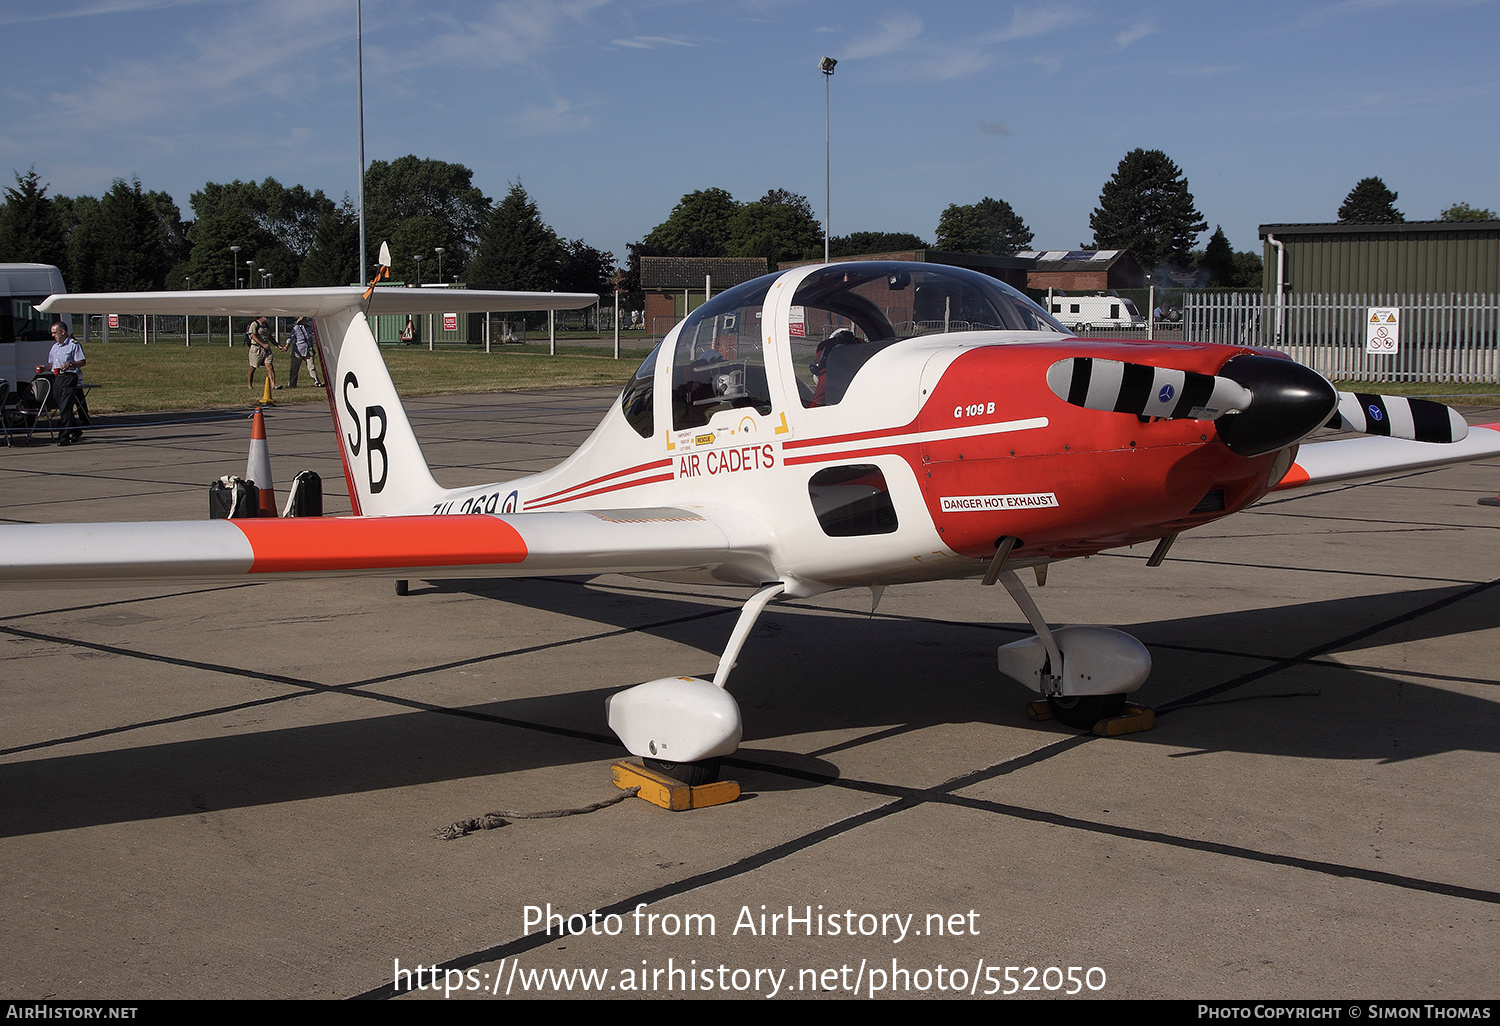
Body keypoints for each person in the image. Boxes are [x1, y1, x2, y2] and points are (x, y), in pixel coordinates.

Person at [46, 320, 88, 446]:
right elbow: (52, 364)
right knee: (60, 404)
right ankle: (75, 430)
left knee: (66, 406)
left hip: (69, 377)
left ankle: (63, 437)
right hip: (57, 378)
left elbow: (82, 362)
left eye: (55, 333)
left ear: (62, 332)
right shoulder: (55, 347)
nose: (53, 335)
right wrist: (45, 368)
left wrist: (70, 364)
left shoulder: (73, 345)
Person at [246, 315, 286, 391]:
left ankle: (273, 384)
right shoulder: (255, 324)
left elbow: (270, 337)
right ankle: (249, 385)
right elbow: (253, 336)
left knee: (269, 365)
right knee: (253, 367)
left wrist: (278, 345)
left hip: (266, 349)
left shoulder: (266, 325)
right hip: (256, 348)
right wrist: (262, 344)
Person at [286, 316, 322, 388]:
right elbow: (291, 337)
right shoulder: (296, 328)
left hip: (308, 350)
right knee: (294, 368)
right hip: (298, 350)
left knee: (311, 367)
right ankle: (292, 384)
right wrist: (286, 346)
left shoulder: (309, 327)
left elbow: (310, 338)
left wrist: (311, 347)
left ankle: (317, 382)